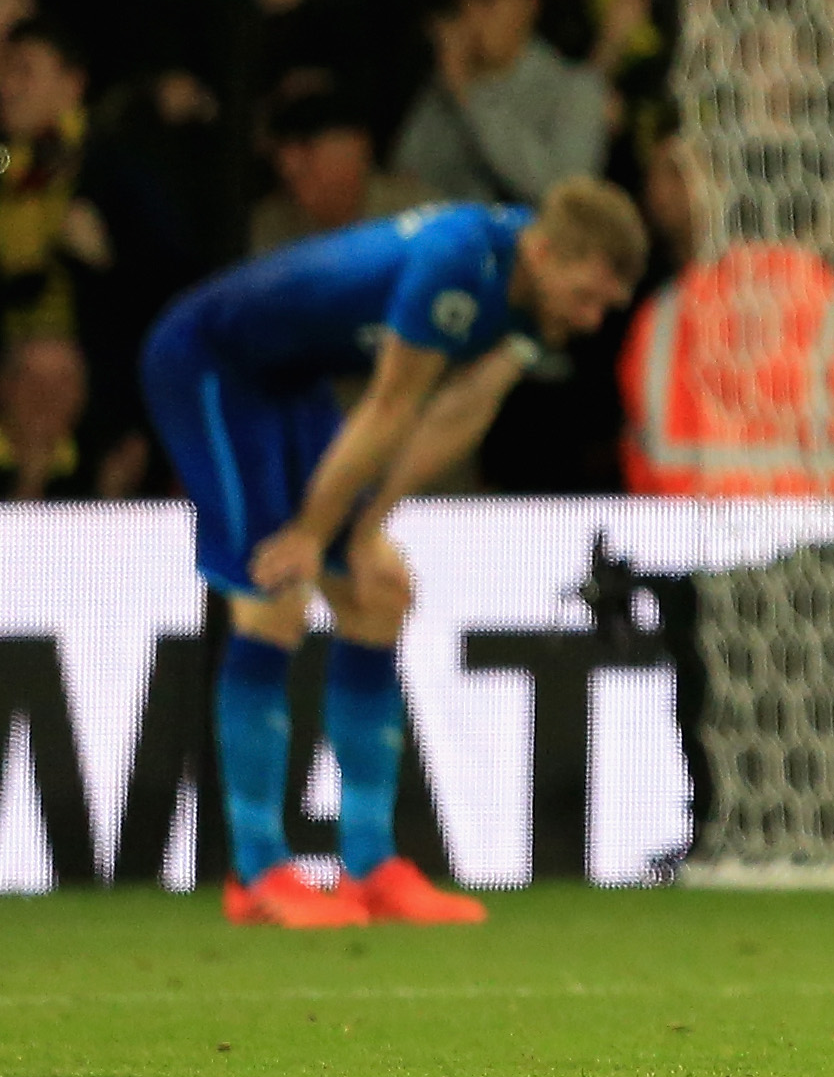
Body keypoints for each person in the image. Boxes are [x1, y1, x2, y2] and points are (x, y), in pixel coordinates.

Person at [132, 179, 649, 926]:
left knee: (380, 592)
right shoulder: (457, 264)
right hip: (209, 363)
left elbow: (461, 411)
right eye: (588, 296)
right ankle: (257, 873)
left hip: (288, 377)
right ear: (541, 252)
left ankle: (369, 865)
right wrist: (314, 533)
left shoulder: (531, 296)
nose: (593, 317)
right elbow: (391, 406)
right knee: (275, 591)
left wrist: (366, 524)